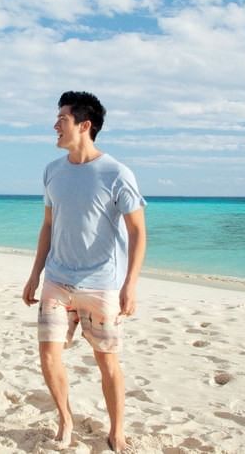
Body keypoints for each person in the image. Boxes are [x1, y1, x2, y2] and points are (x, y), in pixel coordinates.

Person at [21, 91, 147, 451]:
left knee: (106, 361)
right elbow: (48, 225)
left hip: (102, 284)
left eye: (62, 119)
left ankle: (117, 430)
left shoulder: (117, 173)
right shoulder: (52, 170)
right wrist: (35, 274)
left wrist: (130, 284)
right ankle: (65, 419)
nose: (55, 125)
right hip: (57, 279)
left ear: (84, 125)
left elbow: (138, 231)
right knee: (48, 354)